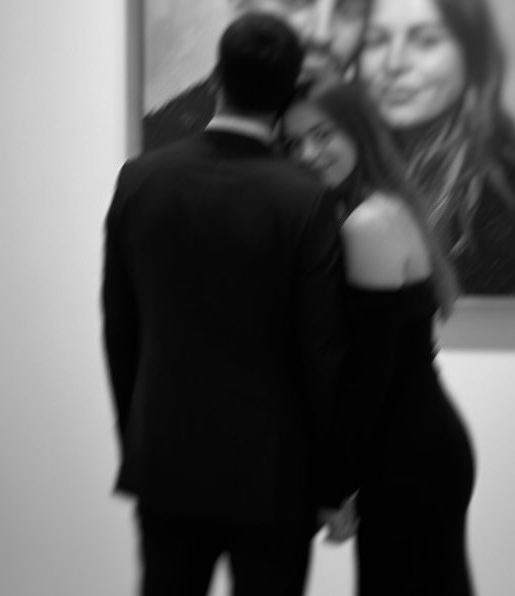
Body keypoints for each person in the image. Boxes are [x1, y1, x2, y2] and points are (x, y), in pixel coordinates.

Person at [102, 14, 353, 596]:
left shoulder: (140, 180)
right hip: (274, 476)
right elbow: (323, 352)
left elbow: (120, 328)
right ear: (286, 95)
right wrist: (334, 482)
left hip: (165, 462)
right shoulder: (305, 198)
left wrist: (136, 436)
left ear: (216, 78)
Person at [281, 81, 476, 594]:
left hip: (407, 456)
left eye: (322, 134)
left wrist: (334, 487)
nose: (308, 153)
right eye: (294, 143)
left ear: (358, 130)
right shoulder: (382, 205)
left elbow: (369, 375)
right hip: (418, 444)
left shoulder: (367, 222)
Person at [357, 0, 515, 296]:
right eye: (376, 41)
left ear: (473, 57)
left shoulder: (511, 192)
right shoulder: (342, 161)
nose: (394, 63)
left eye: (426, 41)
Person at [142, 0, 367, 150]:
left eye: (350, 8)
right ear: (240, 4)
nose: (322, 34)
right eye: (296, 1)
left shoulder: (376, 143)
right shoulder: (157, 146)